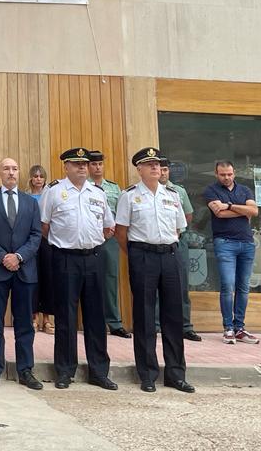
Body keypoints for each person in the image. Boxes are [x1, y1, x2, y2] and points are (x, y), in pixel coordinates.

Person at [115, 147, 194, 393]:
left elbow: (180, 228)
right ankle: (147, 373)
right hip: (143, 256)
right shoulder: (129, 196)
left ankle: (175, 374)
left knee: (173, 316)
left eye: (158, 164)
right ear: (139, 169)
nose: (155, 168)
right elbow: (121, 232)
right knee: (145, 315)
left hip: (170, 255)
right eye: (149, 164)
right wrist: (139, 254)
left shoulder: (172, 195)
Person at [41, 148, 116, 390]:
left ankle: (98, 371)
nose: (83, 167)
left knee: (95, 317)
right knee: (66, 317)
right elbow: (44, 227)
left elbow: (108, 227)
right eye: (76, 164)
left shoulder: (98, 194)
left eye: (85, 164)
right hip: (65, 259)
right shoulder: (54, 192)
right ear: (66, 167)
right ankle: (64, 370)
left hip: (93, 258)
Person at [0, 158, 42, 390]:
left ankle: (25, 370)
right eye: (6, 168)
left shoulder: (31, 202)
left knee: (25, 323)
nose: (11, 172)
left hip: (25, 270)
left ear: (19, 172)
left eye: (15, 168)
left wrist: (19, 257)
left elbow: (36, 235)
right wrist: (3, 257)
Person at [205, 160, 260, 345]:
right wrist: (242, 210)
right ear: (216, 174)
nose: (226, 177)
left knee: (243, 287)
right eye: (222, 174)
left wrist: (228, 206)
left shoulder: (244, 190)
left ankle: (240, 328)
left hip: (246, 242)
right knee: (228, 285)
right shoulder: (211, 191)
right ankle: (228, 328)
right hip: (225, 242)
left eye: (229, 174)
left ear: (234, 173)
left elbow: (253, 211)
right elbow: (218, 213)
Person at [88, 150, 129, 338]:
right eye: (94, 164)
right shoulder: (83, 187)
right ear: (88, 166)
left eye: (100, 164)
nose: (97, 167)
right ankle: (91, 322)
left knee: (110, 279)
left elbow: (121, 214)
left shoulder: (113, 188)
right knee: (88, 280)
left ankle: (114, 322)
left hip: (110, 239)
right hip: (88, 239)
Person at [160, 159, 201, 341]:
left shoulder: (179, 191)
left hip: (178, 241)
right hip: (155, 244)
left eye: (165, 169)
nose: (162, 173)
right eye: (159, 169)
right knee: (153, 287)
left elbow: (188, 215)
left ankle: (185, 325)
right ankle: (155, 325)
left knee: (181, 284)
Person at [28, 164, 54, 335]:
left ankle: (47, 319)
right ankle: (34, 317)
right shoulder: (27, 197)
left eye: (41, 176)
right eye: (35, 176)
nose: (38, 179)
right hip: (31, 241)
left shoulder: (50, 195)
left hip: (47, 240)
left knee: (48, 278)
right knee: (32, 278)